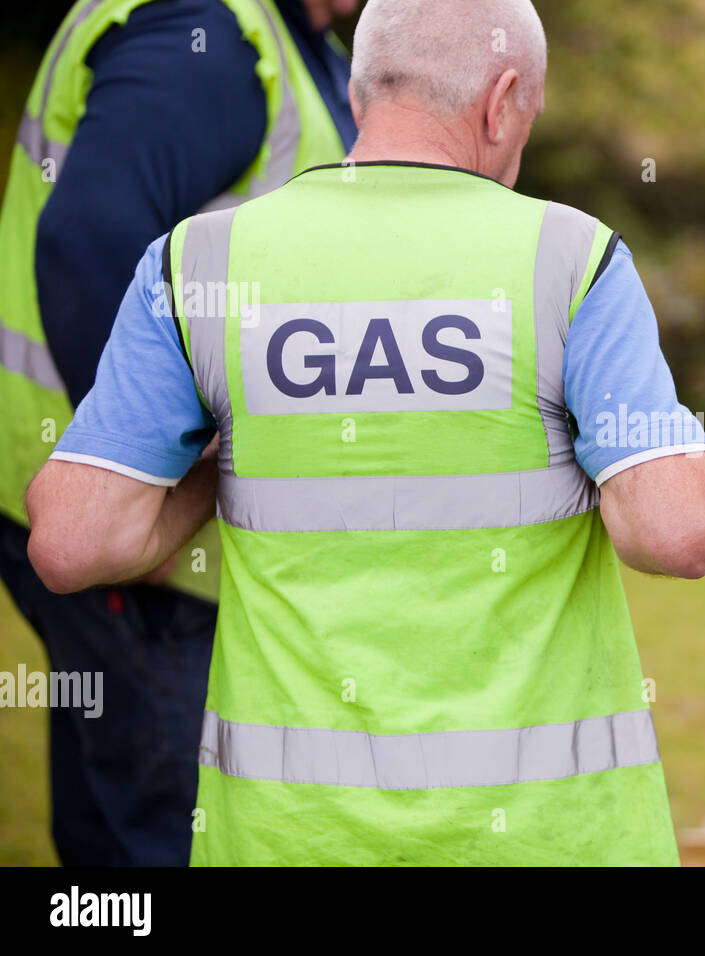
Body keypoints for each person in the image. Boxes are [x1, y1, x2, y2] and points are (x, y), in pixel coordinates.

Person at [26, 0, 705, 866]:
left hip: (284, 840)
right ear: (502, 98)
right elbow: (674, 534)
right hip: (547, 838)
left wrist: (223, 465)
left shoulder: (197, 263)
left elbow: (72, 541)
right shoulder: (569, 260)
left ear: (360, 96)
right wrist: (695, 465)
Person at [0, 0, 359, 865]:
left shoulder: (300, 43)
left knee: (114, 808)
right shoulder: (207, 35)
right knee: (172, 828)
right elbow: (88, 240)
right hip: (133, 535)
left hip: (133, 529)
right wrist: (141, 485)